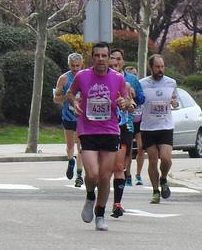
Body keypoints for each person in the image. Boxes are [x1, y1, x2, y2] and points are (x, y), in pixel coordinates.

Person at [66, 42, 136, 232]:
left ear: (109, 58)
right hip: (87, 130)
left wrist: (125, 103)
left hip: (110, 130)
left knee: (105, 177)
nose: (101, 59)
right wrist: (75, 102)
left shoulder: (118, 78)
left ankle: (100, 213)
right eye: (97, 55)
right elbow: (70, 93)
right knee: (93, 174)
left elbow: (129, 103)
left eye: (104, 56)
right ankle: (90, 196)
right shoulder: (82, 76)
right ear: (92, 57)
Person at [138, 54, 180, 205]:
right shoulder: (142, 84)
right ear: (151, 67)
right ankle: (156, 191)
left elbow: (175, 100)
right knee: (153, 160)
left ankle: (163, 178)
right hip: (148, 128)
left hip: (165, 126)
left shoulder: (171, 82)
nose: (160, 70)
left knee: (166, 158)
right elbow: (137, 101)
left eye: (162, 67)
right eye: (157, 67)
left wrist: (174, 103)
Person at [109, 48, 144, 218]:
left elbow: (134, 104)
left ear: (122, 62)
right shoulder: (96, 79)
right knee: (100, 170)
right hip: (100, 128)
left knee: (118, 166)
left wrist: (130, 103)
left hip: (123, 126)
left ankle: (117, 204)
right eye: (112, 59)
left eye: (118, 59)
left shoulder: (129, 82)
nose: (115, 62)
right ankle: (94, 197)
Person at [54, 52, 84, 186]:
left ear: (82, 64)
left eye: (78, 66)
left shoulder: (86, 77)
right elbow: (56, 98)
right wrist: (66, 97)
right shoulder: (64, 78)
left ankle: (79, 174)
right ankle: (71, 161)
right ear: (69, 65)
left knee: (81, 146)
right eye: (73, 66)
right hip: (68, 116)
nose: (75, 69)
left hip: (83, 117)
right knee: (70, 145)